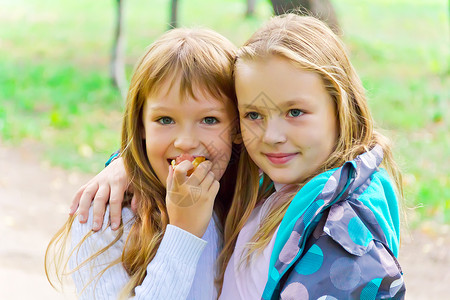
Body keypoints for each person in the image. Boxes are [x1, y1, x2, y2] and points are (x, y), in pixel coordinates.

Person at [72, 14, 406, 299]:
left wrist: (184, 232)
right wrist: (127, 165)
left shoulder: (331, 229)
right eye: (254, 115)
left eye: (209, 120)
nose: (272, 136)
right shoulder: (105, 219)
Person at [45, 27, 242, 299]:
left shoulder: (249, 207)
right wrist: (183, 233)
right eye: (165, 120)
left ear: (238, 128)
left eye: (209, 120)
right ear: (140, 126)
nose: (185, 142)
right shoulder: (106, 218)